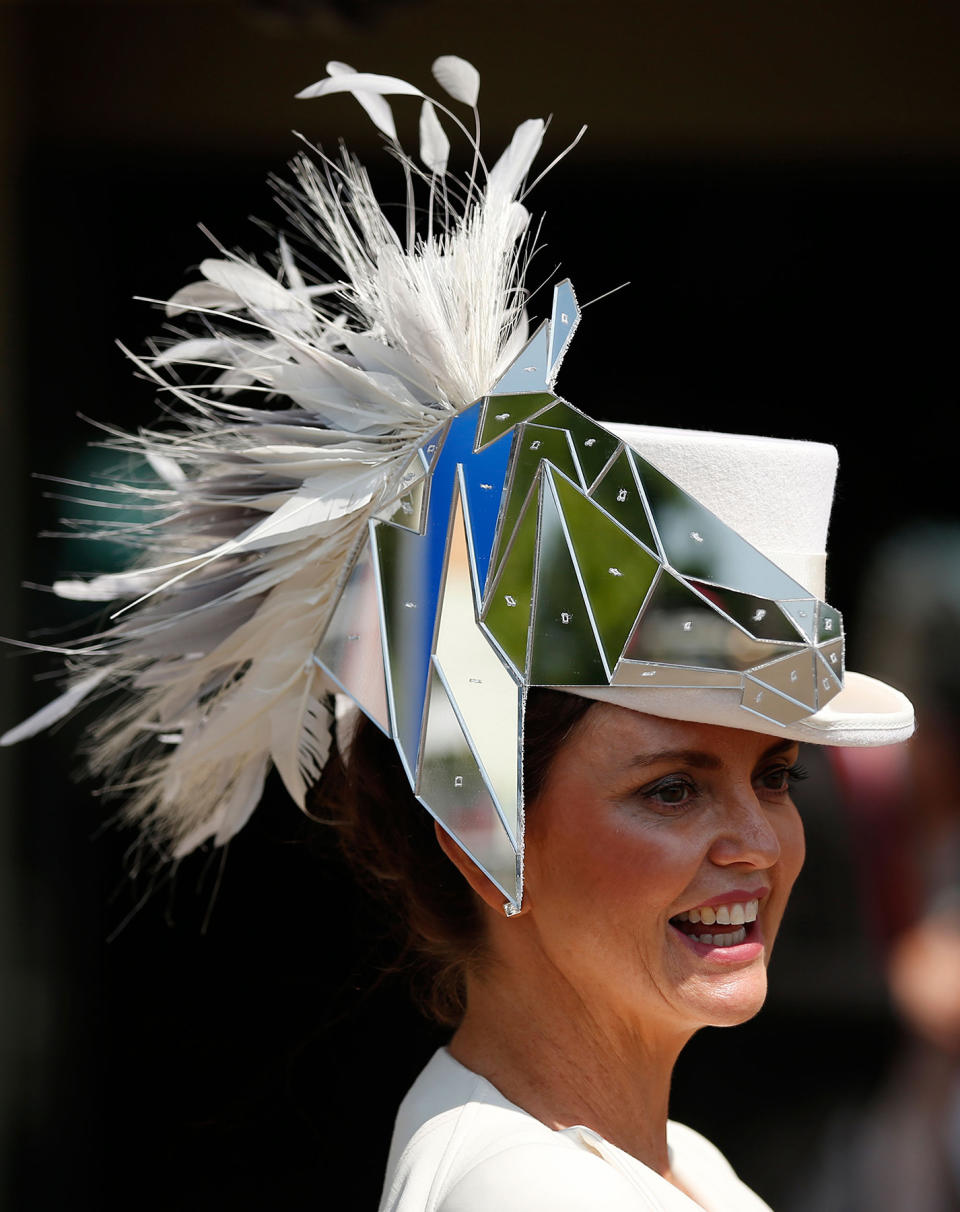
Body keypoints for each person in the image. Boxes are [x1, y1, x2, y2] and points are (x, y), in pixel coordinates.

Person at [1, 56, 915, 1211]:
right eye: (674, 787)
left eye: (774, 773)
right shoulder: (536, 1189)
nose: (762, 844)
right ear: (477, 823)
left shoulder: (659, 1165)